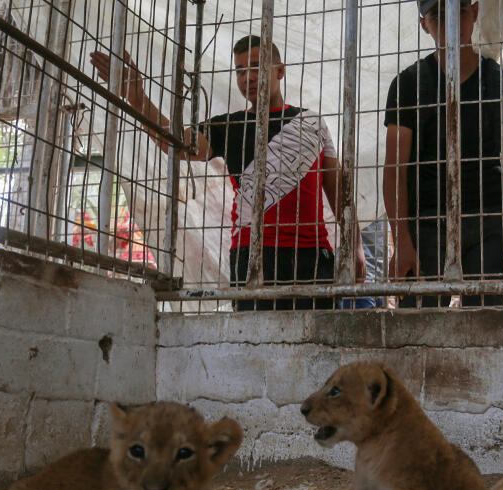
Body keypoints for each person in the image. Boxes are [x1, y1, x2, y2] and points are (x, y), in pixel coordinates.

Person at [91, 36, 365, 311]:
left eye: (257, 67)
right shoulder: (232, 126)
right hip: (253, 257)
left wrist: (355, 249)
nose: (249, 77)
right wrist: (137, 98)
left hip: (312, 258)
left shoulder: (312, 123)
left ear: (280, 71)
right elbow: (176, 143)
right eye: (241, 70)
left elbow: (338, 192)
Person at [383, 0, 503, 308]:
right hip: (427, 223)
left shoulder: (501, 84)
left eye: (458, 10)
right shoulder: (408, 85)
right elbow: (395, 168)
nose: (450, 21)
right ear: (424, 24)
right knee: (419, 332)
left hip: (489, 222)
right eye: (438, 15)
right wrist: (401, 240)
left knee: (485, 329)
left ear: (475, 12)